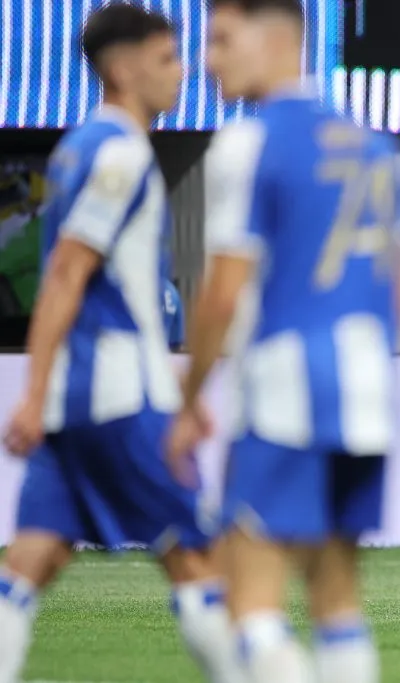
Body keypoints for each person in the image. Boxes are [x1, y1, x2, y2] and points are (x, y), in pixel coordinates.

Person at [166, 1, 400, 681]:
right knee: (337, 601)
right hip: (368, 387)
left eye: (219, 39)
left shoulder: (250, 142)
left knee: (252, 605)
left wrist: (189, 399)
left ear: (275, 35)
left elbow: (221, 291)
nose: (207, 61)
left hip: (284, 382)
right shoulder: (375, 145)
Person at [0, 6, 240, 683]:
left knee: (31, 562)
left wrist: (43, 395)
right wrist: (34, 392)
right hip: (123, 396)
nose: (181, 71)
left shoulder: (77, 145)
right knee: (195, 558)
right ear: (121, 67)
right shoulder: (120, 154)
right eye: (166, 59)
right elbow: (67, 276)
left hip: (78, 400)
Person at [164, 278, 185, 350]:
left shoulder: (145, 288)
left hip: (146, 350)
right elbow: (178, 338)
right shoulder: (173, 291)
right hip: (169, 349)